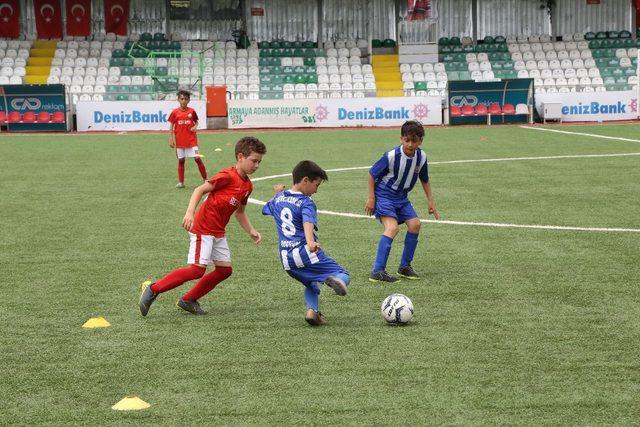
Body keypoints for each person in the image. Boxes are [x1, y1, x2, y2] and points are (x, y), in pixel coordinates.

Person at [139, 136, 267, 316]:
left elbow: (240, 212)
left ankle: (188, 299)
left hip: (218, 232)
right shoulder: (227, 176)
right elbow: (199, 190)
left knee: (224, 270)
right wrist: (190, 212)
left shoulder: (248, 186)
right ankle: (153, 289)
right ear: (240, 157)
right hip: (203, 227)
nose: (256, 166)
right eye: (254, 161)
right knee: (197, 270)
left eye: (259, 162)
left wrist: (251, 231)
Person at [262, 161, 350, 326]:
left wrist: (278, 193)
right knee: (343, 274)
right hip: (305, 253)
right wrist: (310, 242)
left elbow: (266, 209)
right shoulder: (306, 202)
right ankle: (335, 280)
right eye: (316, 185)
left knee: (310, 282)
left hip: (286, 260)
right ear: (305, 181)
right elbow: (307, 221)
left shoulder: (279, 199)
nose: (316, 190)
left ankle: (312, 312)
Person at [365, 120, 440, 283]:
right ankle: (377, 271)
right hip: (384, 195)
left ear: (421, 141)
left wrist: (431, 201)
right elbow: (372, 174)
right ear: (401, 139)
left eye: (414, 141)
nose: (410, 144)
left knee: (415, 224)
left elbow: (424, 179)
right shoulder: (391, 156)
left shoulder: (421, 157)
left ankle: (404, 267)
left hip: (402, 198)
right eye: (407, 140)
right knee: (392, 228)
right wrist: (371, 198)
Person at [168, 90, 207, 188]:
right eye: (182, 99)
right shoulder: (174, 112)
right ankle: (181, 182)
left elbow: (196, 122)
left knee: (197, 158)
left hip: (192, 140)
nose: (184, 101)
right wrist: (171, 138)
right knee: (181, 161)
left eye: (186, 99)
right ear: (178, 100)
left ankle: (206, 179)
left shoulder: (192, 111)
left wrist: (195, 126)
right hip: (180, 141)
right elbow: (171, 125)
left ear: (189, 100)